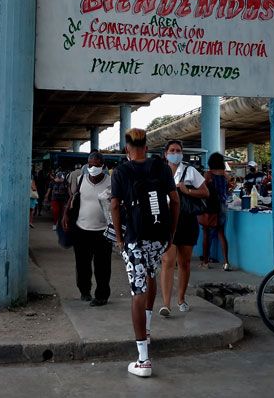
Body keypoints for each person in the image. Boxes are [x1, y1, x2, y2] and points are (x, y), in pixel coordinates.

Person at [111, 128, 179, 378]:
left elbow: (115, 206)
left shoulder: (122, 171)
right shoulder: (161, 167)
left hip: (135, 239)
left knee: (137, 291)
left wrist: (119, 238)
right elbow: (175, 200)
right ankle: (147, 330)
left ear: (128, 147)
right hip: (159, 236)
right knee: (150, 276)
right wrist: (170, 233)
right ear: (146, 146)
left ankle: (143, 359)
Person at [159, 140, 209, 317]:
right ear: (165, 154)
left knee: (184, 263)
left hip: (187, 221)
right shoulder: (158, 172)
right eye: (172, 150)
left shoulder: (190, 171)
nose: (175, 153)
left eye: (178, 150)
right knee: (167, 261)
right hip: (166, 221)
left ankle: (181, 299)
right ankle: (166, 304)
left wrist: (187, 191)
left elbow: (205, 192)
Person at [65, 152, 112, 306]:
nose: (93, 168)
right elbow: (73, 198)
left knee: (103, 266)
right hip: (81, 229)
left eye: (97, 165)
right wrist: (66, 214)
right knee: (82, 264)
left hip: (103, 231)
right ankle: (84, 291)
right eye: (90, 165)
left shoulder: (111, 182)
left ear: (103, 166)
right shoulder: (80, 180)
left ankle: (102, 295)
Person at [201, 152, 231, 271]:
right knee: (221, 234)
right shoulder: (225, 175)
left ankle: (205, 261)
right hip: (223, 206)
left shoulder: (208, 174)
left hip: (211, 207)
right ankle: (226, 262)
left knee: (206, 234)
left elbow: (202, 188)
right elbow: (228, 189)